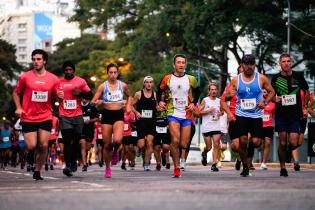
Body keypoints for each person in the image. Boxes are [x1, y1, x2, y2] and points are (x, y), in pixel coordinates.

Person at [12, 49, 59, 180]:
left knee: (44, 145)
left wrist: (60, 97)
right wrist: (18, 107)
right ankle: (30, 154)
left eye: (38, 59)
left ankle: (37, 170)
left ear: (45, 61)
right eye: (33, 59)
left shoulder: (53, 79)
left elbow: (57, 98)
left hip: (45, 116)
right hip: (28, 116)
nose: (35, 62)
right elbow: (16, 93)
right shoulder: (25, 77)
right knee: (32, 145)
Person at [227, 54, 275, 177]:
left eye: (251, 64)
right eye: (246, 64)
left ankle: (248, 154)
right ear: (242, 65)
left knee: (257, 141)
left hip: (256, 115)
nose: (249, 67)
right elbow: (226, 96)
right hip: (241, 114)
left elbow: (272, 92)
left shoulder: (261, 79)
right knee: (243, 141)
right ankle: (245, 166)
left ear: (254, 65)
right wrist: (230, 95)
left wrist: (265, 102)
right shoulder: (236, 80)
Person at [157, 54, 200, 177]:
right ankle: (176, 168)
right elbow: (159, 90)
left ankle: (179, 160)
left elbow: (198, 90)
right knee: (175, 141)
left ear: (185, 65)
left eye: (183, 63)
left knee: (183, 144)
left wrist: (193, 103)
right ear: (174, 64)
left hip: (186, 114)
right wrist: (160, 101)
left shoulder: (191, 79)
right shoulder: (167, 78)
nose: (181, 65)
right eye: (178, 62)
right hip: (172, 113)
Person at [91, 63, 132, 178]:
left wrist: (128, 106)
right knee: (107, 144)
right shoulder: (102, 86)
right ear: (107, 73)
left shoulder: (122, 85)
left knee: (118, 140)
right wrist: (99, 102)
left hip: (118, 114)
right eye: (111, 72)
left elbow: (130, 96)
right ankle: (108, 168)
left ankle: (115, 153)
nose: (113, 75)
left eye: (115, 72)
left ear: (118, 73)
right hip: (107, 115)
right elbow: (93, 101)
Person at [271, 53, 310, 177]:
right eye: (284, 61)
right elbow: (270, 94)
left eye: (288, 61)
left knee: (293, 143)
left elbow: (307, 91)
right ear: (280, 64)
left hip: (295, 114)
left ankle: (287, 152)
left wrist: (305, 106)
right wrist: (274, 99)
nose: (286, 63)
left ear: (291, 63)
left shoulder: (298, 76)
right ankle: (283, 168)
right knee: (282, 142)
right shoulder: (276, 78)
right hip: (281, 114)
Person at [56, 61, 93, 177]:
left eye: (70, 70)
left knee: (77, 141)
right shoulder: (58, 82)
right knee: (67, 141)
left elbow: (90, 95)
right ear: (63, 71)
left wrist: (81, 93)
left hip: (77, 115)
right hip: (64, 115)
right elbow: (52, 96)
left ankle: (74, 161)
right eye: (66, 70)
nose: (68, 72)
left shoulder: (81, 81)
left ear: (73, 70)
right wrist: (56, 97)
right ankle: (67, 165)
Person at [220, 64, 244, 170]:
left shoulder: (254, 84)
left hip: (249, 116)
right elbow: (223, 99)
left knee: (247, 141)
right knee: (236, 146)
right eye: (240, 71)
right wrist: (228, 112)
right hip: (234, 116)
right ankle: (239, 158)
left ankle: (246, 164)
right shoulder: (231, 85)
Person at [132, 76, 157, 171]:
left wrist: (160, 108)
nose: (149, 84)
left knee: (150, 143)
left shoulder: (155, 95)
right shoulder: (138, 94)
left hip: (151, 122)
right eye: (147, 82)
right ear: (144, 83)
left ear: (152, 84)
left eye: (151, 82)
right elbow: (131, 106)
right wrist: (136, 113)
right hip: (141, 122)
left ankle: (146, 164)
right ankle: (141, 153)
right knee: (142, 145)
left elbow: (157, 107)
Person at [199, 83, 222, 172]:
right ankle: (204, 153)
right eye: (212, 89)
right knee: (209, 147)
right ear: (209, 91)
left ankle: (214, 164)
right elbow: (199, 112)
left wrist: (221, 113)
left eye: (215, 89)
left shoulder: (219, 101)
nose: (214, 91)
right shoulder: (205, 100)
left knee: (216, 144)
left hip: (216, 125)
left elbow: (223, 112)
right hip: (207, 127)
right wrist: (208, 110)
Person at [80, 98, 99, 172]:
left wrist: (90, 121)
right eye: (83, 97)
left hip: (90, 130)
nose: (84, 99)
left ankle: (85, 160)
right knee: (83, 147)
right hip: (81, 130)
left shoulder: (92, 107)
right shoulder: (78, 106)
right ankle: (84, 164)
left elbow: (97, 118)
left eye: (85, 97)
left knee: (87, 148)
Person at [260, 89, 275, 170]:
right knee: (260, 144)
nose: (264, 94)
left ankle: (264, 163)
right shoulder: (258, 102)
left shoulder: (273, 104)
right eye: (263, 92)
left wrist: (274, 125)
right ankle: (259, 160)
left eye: (266, 92)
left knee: (268, 143)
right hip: (259, 125)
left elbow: (274, 115)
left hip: (269, 125)